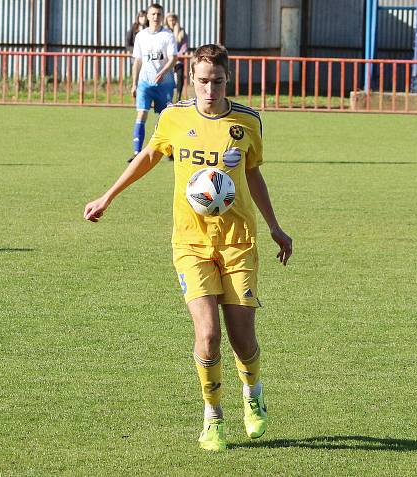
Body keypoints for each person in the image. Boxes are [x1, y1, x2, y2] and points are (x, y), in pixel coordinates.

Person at [84, 43, 293, 452]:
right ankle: (213, 417)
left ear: (227, 79)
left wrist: (275, 227)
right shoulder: (175, 117)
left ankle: (253, 395)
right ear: (190, 79)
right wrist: (108, 196)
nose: (209, 89)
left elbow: (253, 175)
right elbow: (148, 156)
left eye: (217, 81)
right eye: (202, 81)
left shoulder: (248, 121)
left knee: (242, 339)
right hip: (191, 242)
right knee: (208, 335)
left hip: (238, 242)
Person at [129, 3, 177, 163]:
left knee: (165, 117)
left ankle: (168, 150)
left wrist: (163, 72)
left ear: (162, 17)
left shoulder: (168, 35)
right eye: (153, 14)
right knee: (141, 113)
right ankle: (137, 152)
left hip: (165, 83)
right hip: (145, 82)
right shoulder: (141, 36)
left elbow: (173, 58)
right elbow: (137, 61)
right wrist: (134, 83)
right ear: (147, 16)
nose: (156, 17)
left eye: (158, 14)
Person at [165, 12, 189, 101]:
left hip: (178, 59)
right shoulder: (164, 32)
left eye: (173, 20)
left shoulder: (182, 32)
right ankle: (168, 97)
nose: (172, 22)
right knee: (167, 78)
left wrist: (177, 55)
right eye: (170, 20)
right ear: (167, 21)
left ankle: (178, 97)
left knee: (180, 75)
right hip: (167, 60)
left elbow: (184, 46)